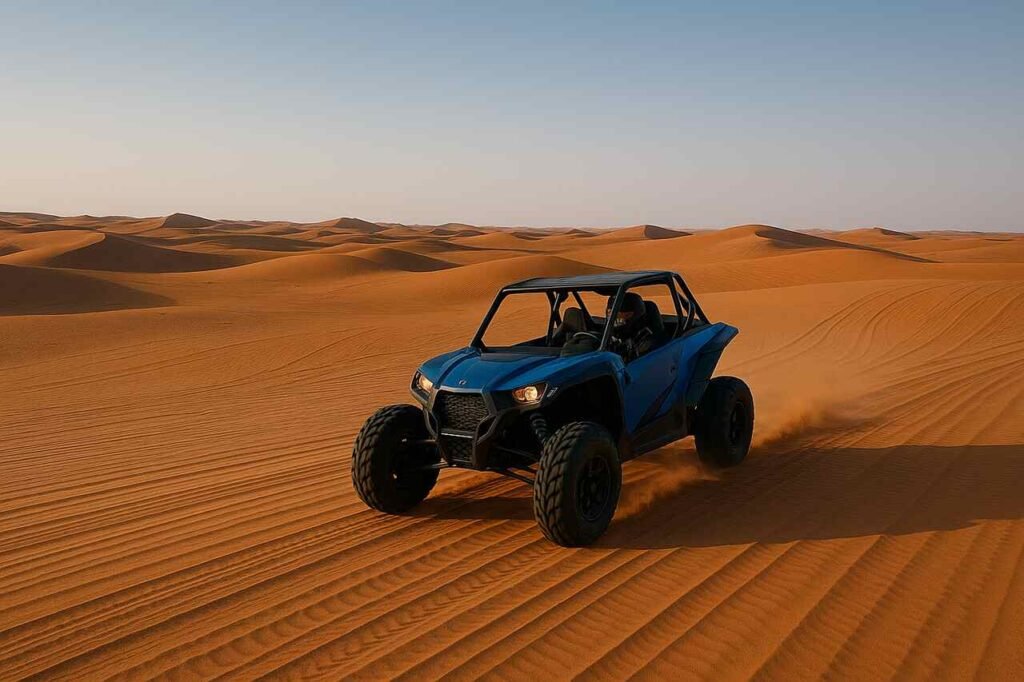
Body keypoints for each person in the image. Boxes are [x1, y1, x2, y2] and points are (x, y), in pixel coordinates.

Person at [605, 292, 656, 362]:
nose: (616, 319)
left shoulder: (644, 338)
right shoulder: (606, 334)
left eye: (624, 315)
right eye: (610, 314)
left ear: (636, 315)